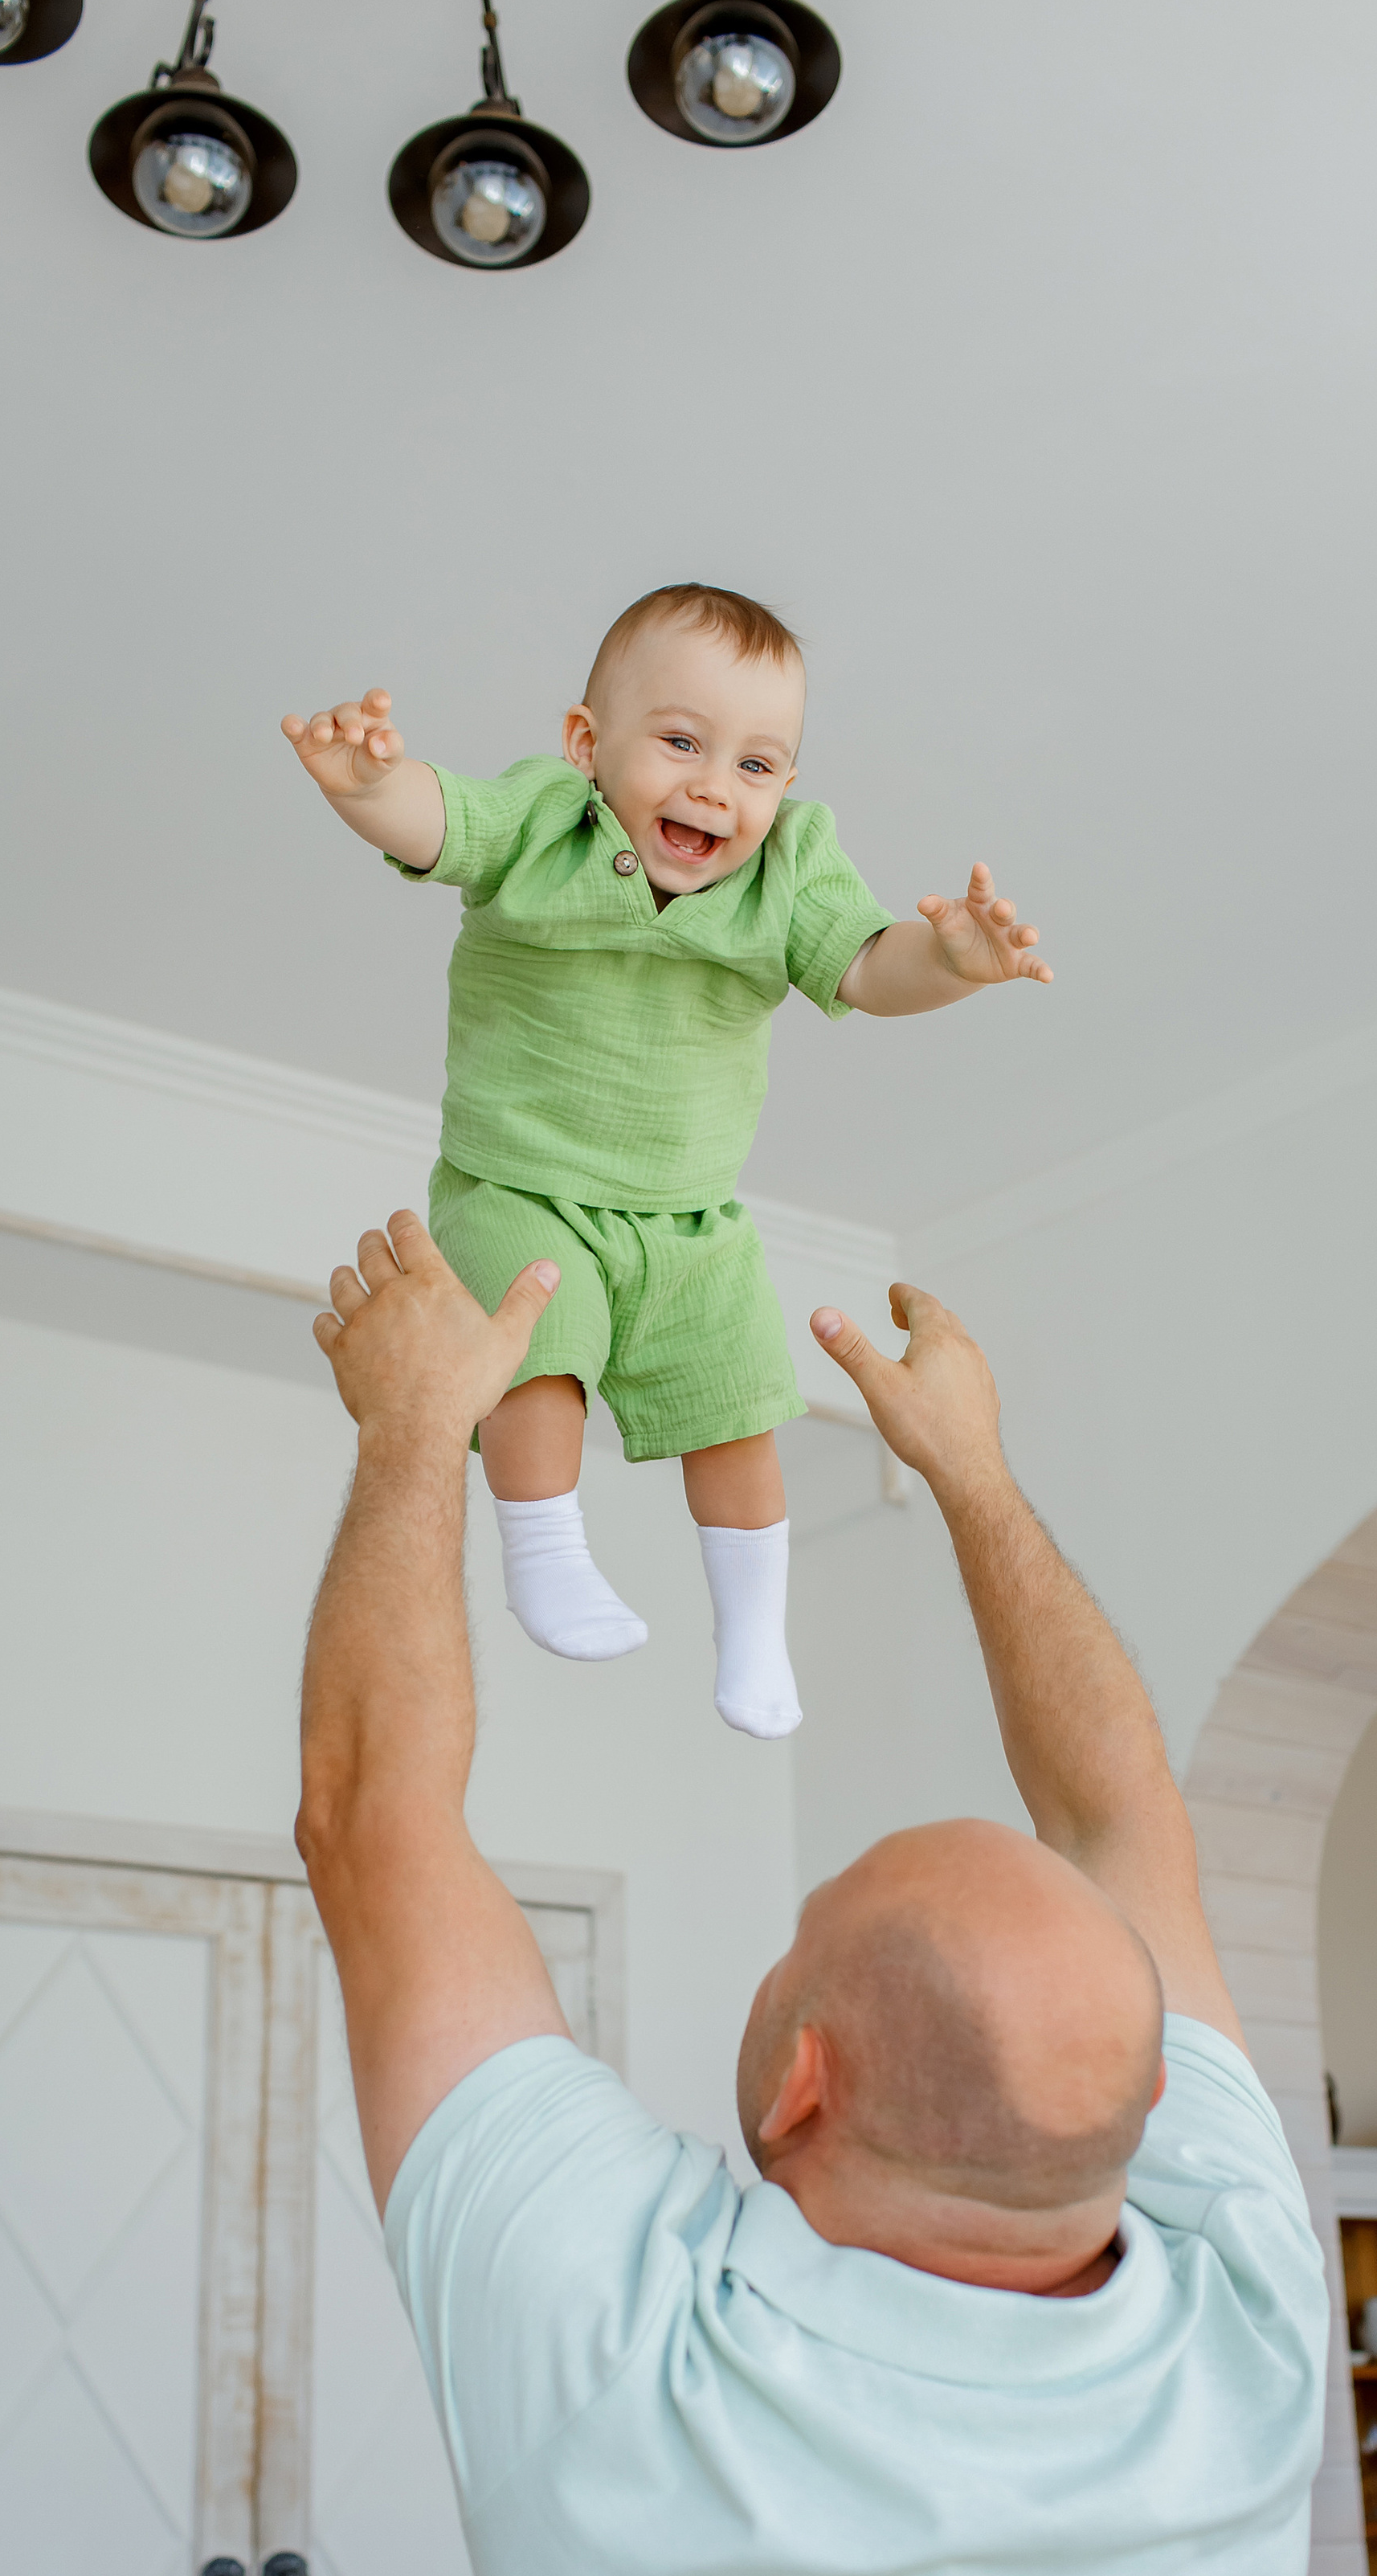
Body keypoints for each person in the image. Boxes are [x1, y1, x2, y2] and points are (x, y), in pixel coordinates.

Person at [294, 1212, 1328, 2576]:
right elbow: (1123, 1816)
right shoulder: (1247, 2321)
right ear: (1150, 2101)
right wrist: (974, 1482)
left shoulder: (628, 2354)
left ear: (799, 2089)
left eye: (801, 1934)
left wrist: (403, 1443)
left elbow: (370, 1823)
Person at [281, 583, 1052, 1740]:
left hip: (694, 1224)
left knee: (741, 1412)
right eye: (681, 742)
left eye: (756, 764)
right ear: (589, 744)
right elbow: (441, 823)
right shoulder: (544, 821)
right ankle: (547, 1554)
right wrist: (367, 787)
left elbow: (867, 968)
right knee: (539, 1356)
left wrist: (951, 963)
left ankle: (753, 1636)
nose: (714, 786)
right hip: (520, 1185)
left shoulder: (790, 869)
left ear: (787, 787)